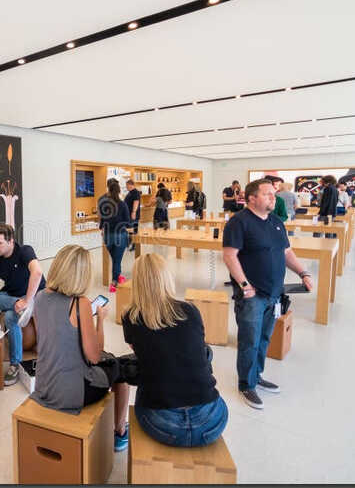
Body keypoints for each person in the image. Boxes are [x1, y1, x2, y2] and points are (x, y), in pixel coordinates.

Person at [30, 244, 137, 452]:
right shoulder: (81, 304)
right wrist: (100, 320)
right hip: (71, 394)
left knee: (109, 362)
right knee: (119, 369)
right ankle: (119, 432)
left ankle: (118, 429)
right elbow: (95, 356)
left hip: (43, 385)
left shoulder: (40, 297)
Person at [219, 177, 314, 411]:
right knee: (249, 340)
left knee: (263, 339)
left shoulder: (275, 222)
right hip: (252, 295)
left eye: (274, 193)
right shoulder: (238, 222)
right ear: (251, 198)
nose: (274, 197)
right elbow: (230, 255)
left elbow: (286, 252)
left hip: (274, 294)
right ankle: (246, 384)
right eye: (267, 194)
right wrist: (244, 285)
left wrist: (303, 272)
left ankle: (256, 375)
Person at [119, 252, 227, 451]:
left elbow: (143, 354)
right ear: (166, 278)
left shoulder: (131, 317)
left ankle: (120, 433)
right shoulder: (190, 310)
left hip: (161, 423)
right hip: (211, 421)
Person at [0, 223, 38, 383]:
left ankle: (15, 364)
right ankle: (15, 304)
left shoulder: (25, 251)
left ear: (11, 241)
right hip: (13, 295)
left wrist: (27, 300)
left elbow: (38, 272)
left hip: (32, 295)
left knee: (9, 319)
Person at [96, 177, 136, 285]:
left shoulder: (104, 204)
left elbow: (101, 221)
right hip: (120, 235)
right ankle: (115, 281)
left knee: (115, 259)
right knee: (117, 260)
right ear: (119, 191)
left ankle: (117, 276)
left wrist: (103, 228)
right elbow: (128, 222)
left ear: (108, 189)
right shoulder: (123, 204)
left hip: (108, 236)